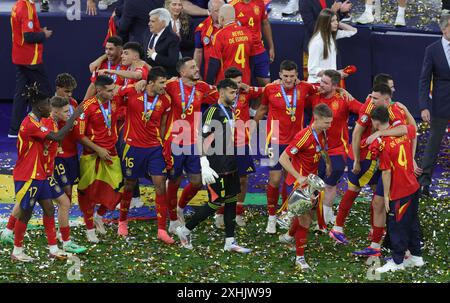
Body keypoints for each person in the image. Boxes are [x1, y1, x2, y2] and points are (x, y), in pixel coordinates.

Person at [329, 84, 416, 252]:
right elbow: (357, 134)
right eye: (371, 96)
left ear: (386, 98)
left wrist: (411, 158)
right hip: (366, 158)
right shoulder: (372, 109)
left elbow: (410, 130)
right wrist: (356, 160)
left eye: (375, 97)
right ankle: (349, 230)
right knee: (369, 196)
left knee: (380, 200)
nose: (370, 99)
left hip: (381, 160)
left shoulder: (394, 111)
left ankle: (386, 240)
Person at [175, 78, 251, 253]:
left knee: (231, 199)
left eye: (236, 92)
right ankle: (184, 230)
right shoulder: (212, 111)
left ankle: (229, 242)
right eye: (232, 92)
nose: (235, 96)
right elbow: (200, 136)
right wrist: (203, 162)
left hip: (230, 161)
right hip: (216, 164)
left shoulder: (231, 110)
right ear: (222, 92)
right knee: (216, 202)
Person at [9, 86, 83, 262]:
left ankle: (53, 248)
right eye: (46, 105)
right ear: (37, 105)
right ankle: (17, 252)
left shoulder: (37, 120)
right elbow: (56, 138)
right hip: (29, 175)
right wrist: (74, 115)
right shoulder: (30, 124)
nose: (49, 109)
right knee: (25, 212)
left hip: (40, 175)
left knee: (49, 209)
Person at [253, 60, 317, 234]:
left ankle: (286, 213)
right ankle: (271, 217)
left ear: (297, 75)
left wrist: (341, 89)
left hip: (296, 142)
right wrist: (251, 129)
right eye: (285, 76)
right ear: (280, 75)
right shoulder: (270, 89)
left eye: (292, 76)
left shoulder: (305, 88)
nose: (289, 80)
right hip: (273, 139)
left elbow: (323, 88)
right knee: (274, 179)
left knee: (291, 180)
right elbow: (262, 108)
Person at [115, 67, 174, 243]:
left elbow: (163, 124)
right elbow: (116, 95)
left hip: (154, 148)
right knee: (129, 184)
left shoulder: (165, 100)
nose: (165, 86)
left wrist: (162, 143)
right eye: (161, 82)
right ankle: (122, 221)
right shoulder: (133, 91)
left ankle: (162, 229)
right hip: (133, 147)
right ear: (150, 83)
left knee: (160, 184)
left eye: (165, 82)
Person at [159, 58, 215, 231]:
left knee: (197, 182)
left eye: (196, 66)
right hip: (174, 141)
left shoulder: (202, 87)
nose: (197, 69)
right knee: (174, 180)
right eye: (192, 67)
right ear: (182, 72)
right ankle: (174, 218)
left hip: (193, 142)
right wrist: (140, 83)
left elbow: (221, 92)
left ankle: (180, 207)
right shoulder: (171, 85)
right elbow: (152, 85)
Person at [368, 106, 424, 273]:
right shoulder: (401, 132)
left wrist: (386, 196)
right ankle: (416, 257)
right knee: (412, 222)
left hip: (400, 191)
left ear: (376, 122)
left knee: (396, 226)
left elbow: (385, 172)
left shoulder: (383, 143)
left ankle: (397, 261)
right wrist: (407, 111)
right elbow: (412, 127)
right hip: (413, 186)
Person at [278, 103, 332, 270]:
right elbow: (283, 158)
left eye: (330, 122)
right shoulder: (303, 136)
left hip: (311, 183)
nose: (329, 126)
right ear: (316, 119)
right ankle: (299, 259)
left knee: (306, 215)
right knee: (306, 219)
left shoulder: (322, 133)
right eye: (327, 123)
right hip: (298, 184)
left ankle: (288, 237)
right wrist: (298, 176)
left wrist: (328, 162)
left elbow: (321, 149)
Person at [305, 70, 361, 226]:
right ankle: (312, 216)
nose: (321, 85)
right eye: (321, 81)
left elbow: (363, 111)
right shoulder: (315, 95)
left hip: (337, 150)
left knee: (329, 184)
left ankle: (325, 217)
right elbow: (299, 88)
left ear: (335, 85)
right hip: (314, 148)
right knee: (313, 184)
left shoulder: (344, 98)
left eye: (325, 83)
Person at [209, 67, 263, 227]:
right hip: (222, 144)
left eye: (240, 82)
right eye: (235, 83)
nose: (238, 86)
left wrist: (251, 88)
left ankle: (238, 213)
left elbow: (268, 91)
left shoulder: (246, 93)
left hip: (242, 144)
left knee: (243, 179)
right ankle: (219, 212)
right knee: (222, 179)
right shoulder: (215, 94)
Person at [77, 76, 124, 243]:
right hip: (91, 155)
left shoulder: (115, 101)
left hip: (111, 153)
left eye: (114, 90)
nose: (113, 93)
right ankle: (90, 229)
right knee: (88, 193)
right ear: (99, 90)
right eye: (110, 90)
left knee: (120, 188)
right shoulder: (87, 107)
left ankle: (99, 216)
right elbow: (79, 135)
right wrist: (98, 149)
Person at [9, 0, 53, 138]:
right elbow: (28, 37)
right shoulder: (25, 8)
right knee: (46, 91)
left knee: (21, 93)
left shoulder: (21, 4)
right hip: (30, 59)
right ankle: (50, 127)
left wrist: (39, 30)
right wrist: (43, 35)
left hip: (20, 56)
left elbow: (25, 30)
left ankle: (14, 130)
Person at [417, 13, 450, 197]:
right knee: (433, 143)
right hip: (440, 103)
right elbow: (424, 79)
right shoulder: (432, 49)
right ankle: (424, 183)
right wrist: (424, 106)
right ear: (443, 28)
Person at [299, 0, 352, 79]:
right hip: (315, 48)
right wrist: (332, 12)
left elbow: (334, 21)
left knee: (334, 84)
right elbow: (312, 26)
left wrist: (341, 11)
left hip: (330, 46)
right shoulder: (305, 1)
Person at [205, 4, 255, 85]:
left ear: (221, 18)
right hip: (244, 81)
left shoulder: (220, 35)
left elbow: (214, 62)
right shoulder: (247, 32)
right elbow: (252, 59)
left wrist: (208, 84)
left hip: (227, 83)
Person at [231, 0, 275, 87]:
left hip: (259, 48)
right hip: (242, 52)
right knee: (244, 84)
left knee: (265, 84)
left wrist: (271, 47)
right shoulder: (232, 6)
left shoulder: (259, 2)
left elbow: (265, 23)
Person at [307, 8, 357, 84]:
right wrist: (335, 74)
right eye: (332, 21)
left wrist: (338, 23)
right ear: (325, 23)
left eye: (336, 20)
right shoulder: (317, 42)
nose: (336, 23)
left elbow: (353, 31)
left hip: (329, 83)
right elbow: (312, 70)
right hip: (318, 84)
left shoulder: (331, 35)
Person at [144, 8, 181, 77]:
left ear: (163, 23)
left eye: (153, 21)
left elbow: (172, 62)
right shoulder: (148, 33)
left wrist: (154, 55)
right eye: (149, 21)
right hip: (148, 76)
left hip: (165, 78)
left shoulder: (172, 38)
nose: (149, 24)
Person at [193, 0, 225, 78]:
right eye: (217, 11)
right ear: (210, 12)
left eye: (222, 10)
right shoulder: (202, 28)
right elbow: (198, 52)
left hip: (231, 72)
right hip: (212, 74)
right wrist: (197, 72)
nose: (221, 14)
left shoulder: (234, 26)